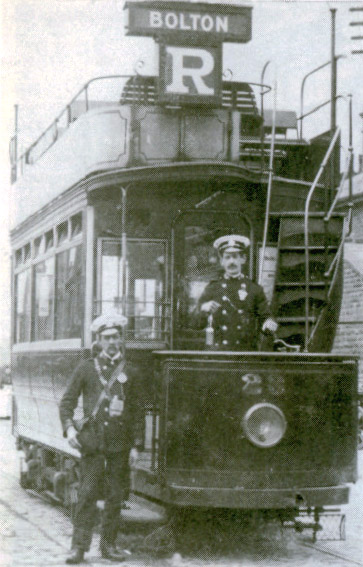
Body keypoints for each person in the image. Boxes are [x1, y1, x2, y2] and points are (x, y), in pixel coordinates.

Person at [59, 314, 143, 564]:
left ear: (121, 339)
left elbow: (138, 411)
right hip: (93, 443)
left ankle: (109, 546)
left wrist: (136, 446)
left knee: (116, 496)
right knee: (87, 495)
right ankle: (79, 548)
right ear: (98, 341)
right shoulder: (86, 368)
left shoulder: (131, 371)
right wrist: (70, 430)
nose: (112, 343)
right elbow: (67, 403)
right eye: (107, 338)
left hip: (120, 444)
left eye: (116, 337)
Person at [196, 234, 277, 350]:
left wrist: (269, 323)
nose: (231, 262)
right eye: (227, 257)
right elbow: (195, 324)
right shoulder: (212, 289)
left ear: (243, 259)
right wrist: (203, 310)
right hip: (218, 355)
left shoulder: (254, 289)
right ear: (221, 261)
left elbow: (266, 316)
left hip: (245, 354)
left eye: (235, 257)